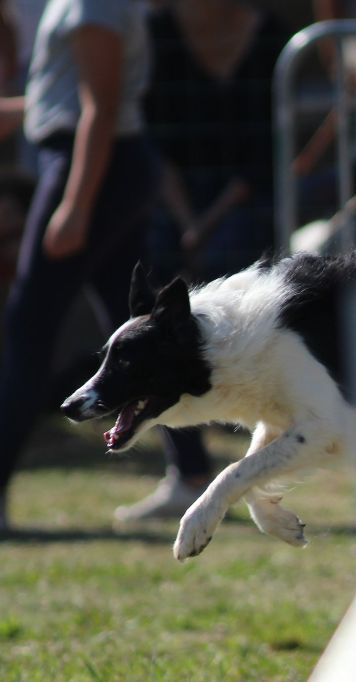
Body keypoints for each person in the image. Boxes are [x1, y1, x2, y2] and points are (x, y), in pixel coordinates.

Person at [0, 0, 214, 531]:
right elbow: (76, 90)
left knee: (26, 330)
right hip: (98, 164)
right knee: (143, 334)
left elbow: (102, 103)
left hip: (89, 169)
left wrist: (74, 206)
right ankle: (191, 474)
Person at [143, 0, 290, 283]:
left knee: (230, 255)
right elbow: (155, 146)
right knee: (153, 251)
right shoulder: (157, 35)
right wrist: (188, 223)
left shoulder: (270, 35)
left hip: (244, 197)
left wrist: (205, 225)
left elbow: (264, 152)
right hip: (176, 197)